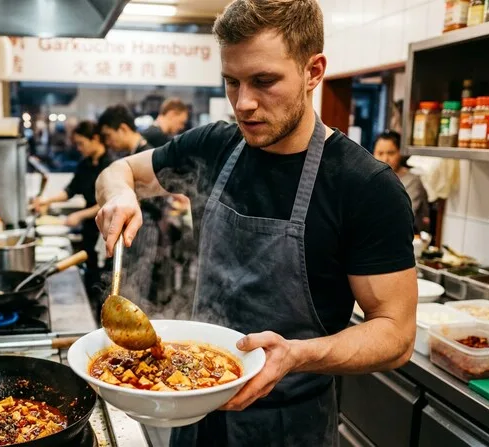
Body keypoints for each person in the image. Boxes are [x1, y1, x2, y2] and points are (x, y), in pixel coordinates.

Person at [94, 1, 417, 446]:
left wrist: (298, 355)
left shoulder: (364, 186)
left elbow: (397, 334)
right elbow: (118, 171)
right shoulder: (213, 146)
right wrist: (120, 194)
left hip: (290, 426)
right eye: (232, 81)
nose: (244, 103)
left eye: (264, 81)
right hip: (194, 406)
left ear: (313, 71)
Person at [31, 121, 113, 308]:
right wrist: (45, 201)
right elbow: (71, 190)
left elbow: (109, 202)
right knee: (90, 276)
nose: (78, 148)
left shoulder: (111, 165)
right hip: (89, 230)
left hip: (107, 231)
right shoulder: (85, 164)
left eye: (81, 143)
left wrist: (80, 215)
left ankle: (103, 316)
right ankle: (92, 310)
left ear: (96, 139)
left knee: (104, 281)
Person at [97, 104, 165, 310]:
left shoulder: (148, 153)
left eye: (109, 136)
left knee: (136, 289)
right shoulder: (130, 156)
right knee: (126, 285)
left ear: (124, 129)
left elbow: (159, 198)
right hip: (134, 230)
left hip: (145, 229)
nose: (108, 143)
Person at [373, 130, 430, 232]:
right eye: (380, 153)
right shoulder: (372, 178)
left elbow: (402, 216)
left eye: (391, 153)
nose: (385, 159)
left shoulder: (413, 181)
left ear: (400, 153)